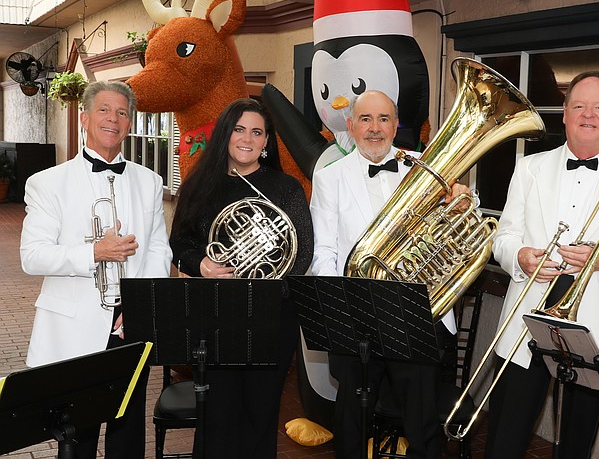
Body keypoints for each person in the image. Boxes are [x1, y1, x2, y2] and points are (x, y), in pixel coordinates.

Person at [485, 71, 599, 459]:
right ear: (564, 113)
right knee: (505, 435)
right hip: (525, 317)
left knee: (576, 443)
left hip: (593, 324)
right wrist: (519, 256)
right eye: (578, 106)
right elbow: (503, 235)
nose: (588, 115)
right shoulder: (530, 167)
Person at [309, 89, 469, 459]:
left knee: (423, 424)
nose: (375, 128)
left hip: (416, 313)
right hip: (355, 316)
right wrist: (340, 315)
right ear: (350, 126)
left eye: (384, 119)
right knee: (352, 417)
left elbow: (456, 221)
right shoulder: (330, 177)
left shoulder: (425, 167)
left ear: (396, 125)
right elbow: (325, 253)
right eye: (365, 119)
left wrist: (462, 201)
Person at [20, 80, 171, 459]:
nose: (113, 119)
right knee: (78, 436)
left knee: (128, 431)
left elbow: (157, 249)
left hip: (129, 327)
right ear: (84, 118)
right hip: (73, 328)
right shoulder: (46, 183)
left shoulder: (150, 181)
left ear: (130, 122)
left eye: (122, 113)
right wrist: (95, 252)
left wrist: (138, 307)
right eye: (104, 110)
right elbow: (32, 256)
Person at [169, 98, 313, 459]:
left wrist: (264, 287)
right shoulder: (199, 185)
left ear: (267, 142)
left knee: (261, 414)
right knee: (216, 414)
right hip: (216, 315)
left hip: (271, 316)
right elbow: (179, 243)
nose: (247, 138)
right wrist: (201, 264)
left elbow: (303, 252)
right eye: (239, 129)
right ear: (225, 135)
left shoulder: (287, 189)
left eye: (257, 132)